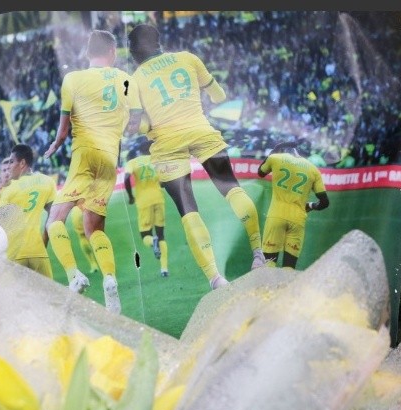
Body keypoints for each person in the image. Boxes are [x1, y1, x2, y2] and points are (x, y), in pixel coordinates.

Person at [125, 23, 264, 290]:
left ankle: (215, 278)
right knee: (232, 188)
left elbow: (137, 126)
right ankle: (259, 253)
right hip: (201, 130)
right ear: (158, 42)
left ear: (134, 52)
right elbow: (219, 95)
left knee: (188, 210)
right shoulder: (188, 58)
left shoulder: (135, 79)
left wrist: (143, 123)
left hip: (166, 145)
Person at [44, 29, 142, 315]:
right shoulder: (126, 79)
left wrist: (54, 145)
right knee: (94, 228)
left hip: (84, 153)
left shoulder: (72, 79)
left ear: (88, 53)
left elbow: (63, 131)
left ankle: (75, 275)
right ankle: (110, 280)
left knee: (55, 220)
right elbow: (134, 123)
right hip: (110, 157)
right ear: (112, 52)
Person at [256, 141, 330, 269]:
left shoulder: (275, 158)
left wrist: (275, 149)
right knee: (289, 268)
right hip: (298, 220)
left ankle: (264, 289)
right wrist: (311, 205)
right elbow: (325, 203)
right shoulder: (313, 169)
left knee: (268, 263)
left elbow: (261, 172)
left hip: (276, 216)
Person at [0, 144, 57, 277]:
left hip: (15, 254)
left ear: (22, 163)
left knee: (16, 296)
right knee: (49, 295)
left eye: (12, 162)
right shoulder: (47, 181)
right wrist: (44, 240)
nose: (9, 167)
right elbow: (54, 216)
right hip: (38, 252)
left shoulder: (10, 189)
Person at [123, 139, 169, 277]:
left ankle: (151, 241)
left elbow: (126, 178)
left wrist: (130, 196)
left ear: (139, 150)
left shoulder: (133, 162)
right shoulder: (155, 160)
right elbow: (163, 182)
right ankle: (164, 269)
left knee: (145, 235)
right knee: (161, 235)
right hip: (158, 199)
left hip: (143, 202)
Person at [69, 204, 100, 274]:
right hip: (92, 206)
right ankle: (103, 260)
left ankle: (93, 264)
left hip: (78, 210)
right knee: (97, 233)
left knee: (82, 236)